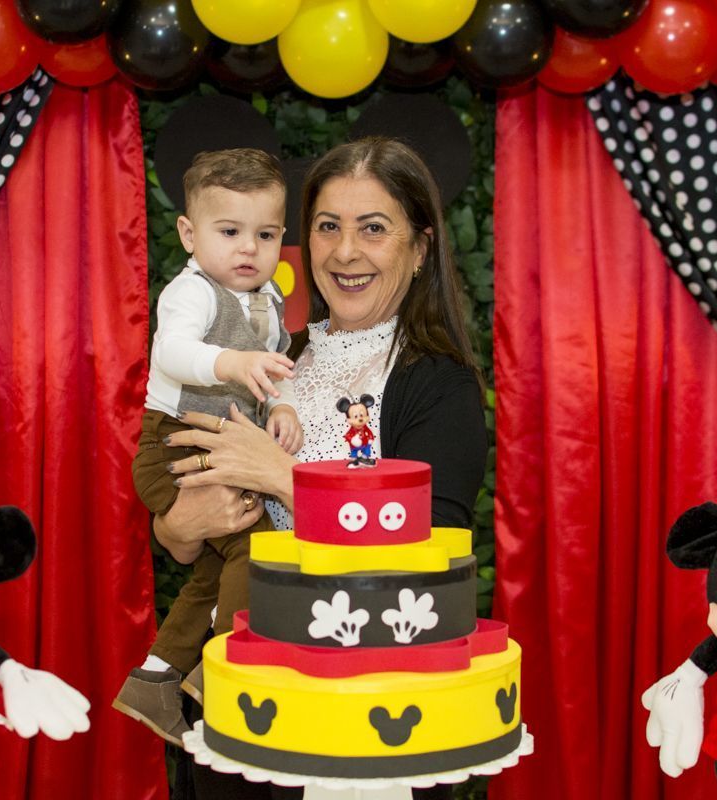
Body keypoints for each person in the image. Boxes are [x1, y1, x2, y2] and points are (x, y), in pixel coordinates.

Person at [157, 137, 487, 800]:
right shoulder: (272, 359)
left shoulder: (440, 384)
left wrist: (281, 477)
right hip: (237, 693)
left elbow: (432, 543)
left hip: (365, 714)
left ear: (420, 249)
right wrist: (178, 528)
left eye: (374, 228)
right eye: (328, 227)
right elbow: (188, 530)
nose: (344, 252)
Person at [113, 148, 304, 746]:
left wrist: (281, 407)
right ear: (189, 235)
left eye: (265, 234)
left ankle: (156, 677)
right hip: (173, 444)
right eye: (229, 232)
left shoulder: (269, 300)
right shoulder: (190, 292)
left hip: (221, 446)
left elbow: (273, 370)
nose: (249, 248)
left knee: (218, 569)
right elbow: (172, 352)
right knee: (258, 547)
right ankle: (229, 664)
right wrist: (232, 362)